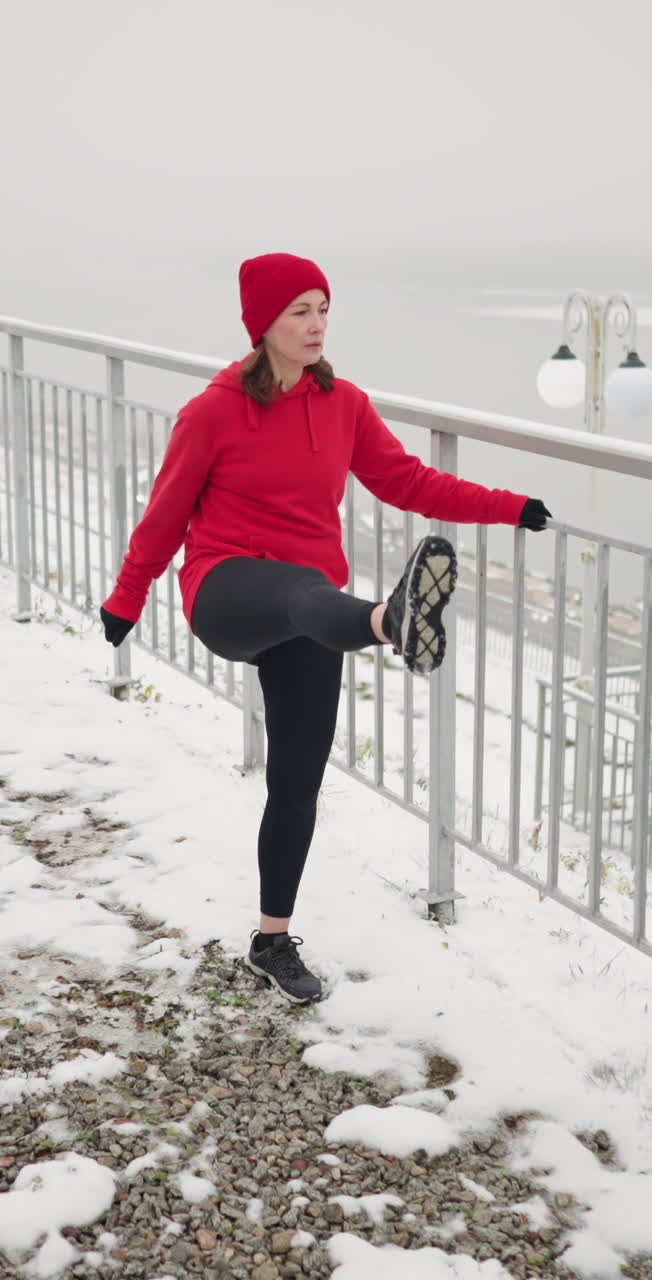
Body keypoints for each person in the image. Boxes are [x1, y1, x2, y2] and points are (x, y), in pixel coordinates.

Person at [100, 252, 551, 1004]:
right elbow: (165, 515)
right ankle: (389, 619)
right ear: (262, 326)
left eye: (322, 310)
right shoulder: (211, 412)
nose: (315, 326)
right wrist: (127, 599)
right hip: (226, 589)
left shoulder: (344, 404)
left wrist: (507, 505)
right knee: (309, 588)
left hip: (316, 613)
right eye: (298, 313)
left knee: (298, 781)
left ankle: (273, 939)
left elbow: (408, 480)